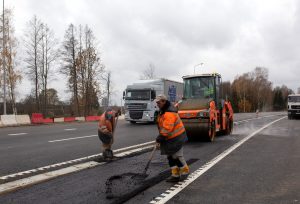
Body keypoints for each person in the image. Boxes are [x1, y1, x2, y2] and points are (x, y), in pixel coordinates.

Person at [155, 94, 189, 182]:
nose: (157, 104)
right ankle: (175, 175)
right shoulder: (162, 111)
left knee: (177, 156)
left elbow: (167, 127)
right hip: (170, 137)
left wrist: (160, 137)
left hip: (177, 137)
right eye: (157, 102)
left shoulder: (169, 113)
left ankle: (185, 172)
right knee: (170, 156)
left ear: (164, 101)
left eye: (159, 102)